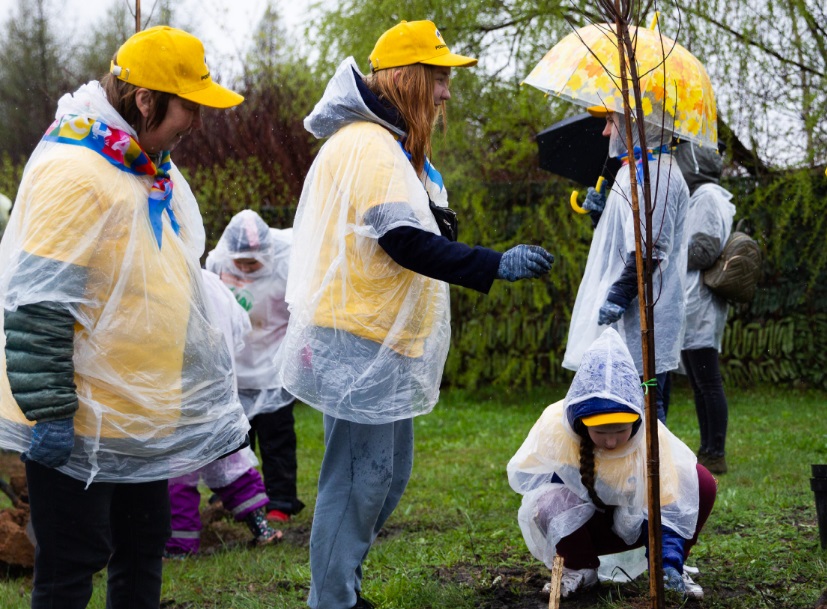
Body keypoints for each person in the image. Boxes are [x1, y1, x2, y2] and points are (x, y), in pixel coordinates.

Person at [277, 20, 555, 609]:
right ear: (407, 78)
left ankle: (341, 584)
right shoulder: (370, 145)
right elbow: (402, 240)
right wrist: (491, 265)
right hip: (358, 336)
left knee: (388, 473)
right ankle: (332, 600)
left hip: (377, 337)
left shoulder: (391, 148)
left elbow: (413, 228)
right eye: (439, 78)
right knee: (358, 479)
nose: (447, 93)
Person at [0, 26, 249, 608]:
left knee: (142, 551)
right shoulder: (76, 173)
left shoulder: (141, 166)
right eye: (189, 106)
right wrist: (53, 414)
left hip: (141, 415)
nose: (196, 121)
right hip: (78, 422)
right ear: (145, 100)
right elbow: (39, 303)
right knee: (69, 568)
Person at [508, 328, 716, 600]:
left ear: (636, 420)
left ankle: (668, 571)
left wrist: (667, 561)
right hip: (590, 527)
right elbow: (545, 499)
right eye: (600, 432)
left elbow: (669, 508)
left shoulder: (651, 440)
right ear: (581, 424)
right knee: (547, 500)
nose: (610, 442)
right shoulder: (557, 429)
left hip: (640, 525)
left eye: (619, 430)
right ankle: (580, 568)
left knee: (698, 480)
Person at [563, 107, 690, 425]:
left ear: (637, 123)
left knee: (645, 406)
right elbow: (626, 241)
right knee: (628, 403)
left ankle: (654, 475)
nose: (605, 132)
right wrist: (601, 215)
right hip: (635, 313)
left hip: (649, 313)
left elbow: (652, 249)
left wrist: (619, 295)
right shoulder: (634, 170)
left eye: (611, 121)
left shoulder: (656, 175)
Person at [165, 270, 282, 557]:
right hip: (217, 394)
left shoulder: (165, 278)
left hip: (180, 397)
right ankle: (262, 528)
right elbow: (239, 327)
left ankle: (180, 546)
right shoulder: (209, 281)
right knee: (230, 463)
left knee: (178, 474)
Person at [206, 210, 305, 522]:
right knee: (233, 442)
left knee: (278, 443)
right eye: (241, 263)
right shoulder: (217, 263)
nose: (247, 268)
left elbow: (300, 314)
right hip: (234, 371)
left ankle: (280, 502)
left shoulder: (288, 264)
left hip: (273, 369)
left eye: (253, 263)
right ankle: (233, 498)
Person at [672, 142, 736, 474]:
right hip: (693, 301)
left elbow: (704, 251)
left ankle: (716, 452)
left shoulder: (709, 197)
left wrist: (669, 250)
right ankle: (708, 449)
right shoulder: (703, 196)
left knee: (708, 380)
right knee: (700, 382)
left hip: (701, 302)